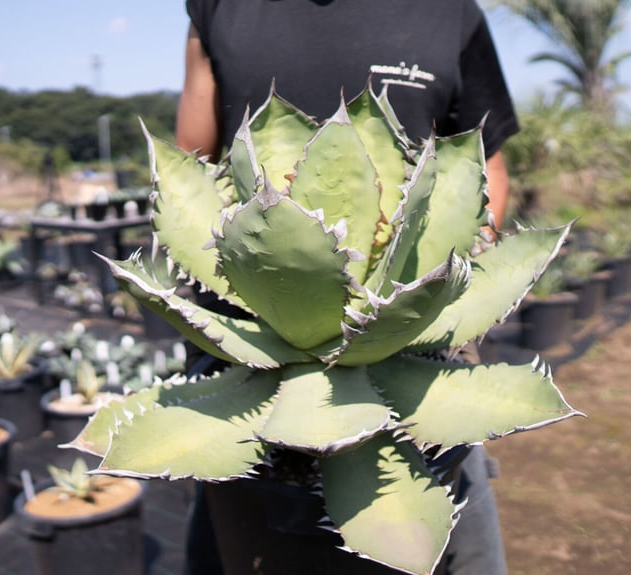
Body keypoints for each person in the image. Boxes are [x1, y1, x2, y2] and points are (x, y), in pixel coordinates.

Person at [175, 2, 519, 574]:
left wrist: (452, 276)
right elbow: (191, 166)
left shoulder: (451, 12)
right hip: (254, 351)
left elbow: (487, 171)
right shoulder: (218, 7)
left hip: (410, 339)